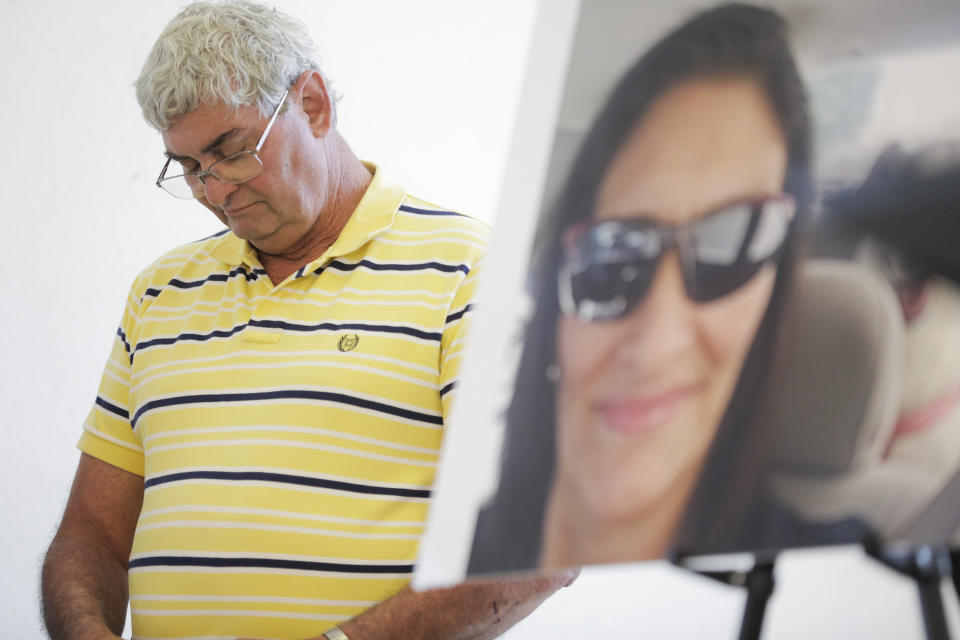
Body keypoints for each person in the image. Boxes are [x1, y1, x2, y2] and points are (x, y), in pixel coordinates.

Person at [40, 2, 574, 639]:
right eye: (188, 167)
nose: (214, 191)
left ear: (313, 104)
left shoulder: (472, 271)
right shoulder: (160, 294)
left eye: (230, 152)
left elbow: (542, 537)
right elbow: (93, 536)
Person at [468, 3, 851, 574]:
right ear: (556, 308)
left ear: (771, 300)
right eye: (615, 254)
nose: (657, 344)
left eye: (735, 241)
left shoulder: (834, 573)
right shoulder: (436, 557)